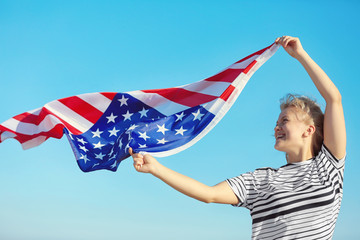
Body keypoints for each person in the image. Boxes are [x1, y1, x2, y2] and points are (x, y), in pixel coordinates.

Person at [129, 36, 346, 239]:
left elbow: (334, 99)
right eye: (277, 122)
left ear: (309, 130)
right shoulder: (261, 179)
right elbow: (209, 194)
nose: (277, 127)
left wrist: (301, 55)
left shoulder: (328, 168)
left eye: (285, 121)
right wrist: (156, 169)